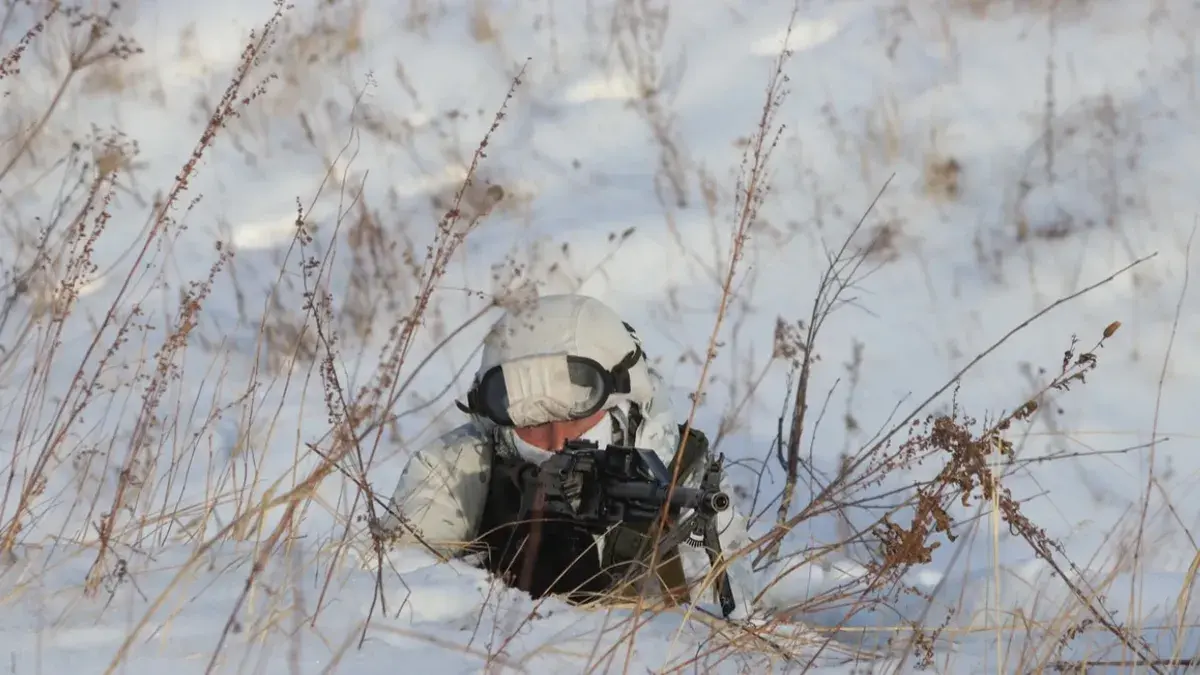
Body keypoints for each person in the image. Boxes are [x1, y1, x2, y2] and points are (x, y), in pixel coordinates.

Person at [371, 293, 758, 619]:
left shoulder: (679, 475)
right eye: (533, 425)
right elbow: (396, 600)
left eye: (575, 422)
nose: (557, 442)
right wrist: (492, 586)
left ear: (625, 408)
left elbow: (722, 621)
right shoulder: (459, 469)